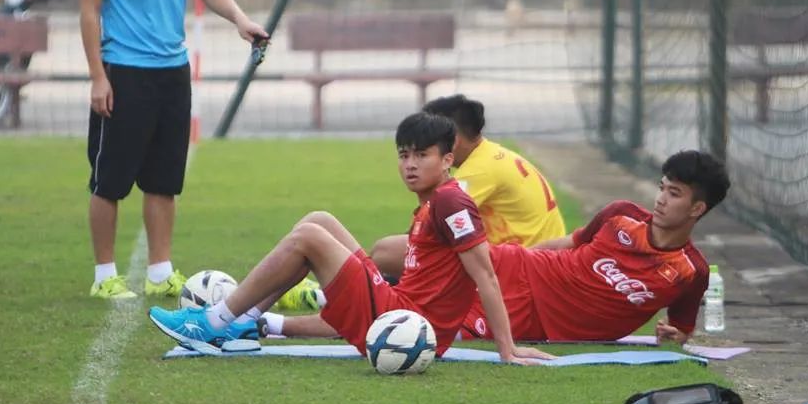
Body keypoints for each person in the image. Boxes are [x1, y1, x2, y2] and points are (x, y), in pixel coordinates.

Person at [147, 112, 555, 365]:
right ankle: (244, 321)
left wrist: (508, 349)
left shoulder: (451, 202)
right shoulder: (435, 200)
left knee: (307, 237)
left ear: (447, 159)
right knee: (318, 219)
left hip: (406, 322)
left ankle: (214, 321)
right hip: (401, 305)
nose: (410, 165)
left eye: (421, 155)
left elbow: (485, 275)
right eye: (403, 155)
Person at [259, 149, 730, 347]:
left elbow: (682, 329)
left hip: (533, 317)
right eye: (662, 187)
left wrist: (675, 336)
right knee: (387, 251)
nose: (660, 199)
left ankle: (269, 321)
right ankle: (322, 290)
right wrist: (505, 254)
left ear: (698, 209)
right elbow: (565, 244)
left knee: (404, 328)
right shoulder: (621, 213)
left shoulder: (692, 273)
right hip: (517, 268)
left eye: (674, 194)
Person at [76, 0, 269, 299]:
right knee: (110, 182)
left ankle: (161, 272)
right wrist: (98, 77)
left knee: (164, 180)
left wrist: (241, 20)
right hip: (123, 73)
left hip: (172, 74)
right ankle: (105, 277)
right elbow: (88, 12)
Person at [277, 94, 567, 309]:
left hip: (518, 270)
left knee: (387, 252)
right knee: (395, 255)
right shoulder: (492, 155)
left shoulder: (479, 170)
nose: (411, 162)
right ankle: (338, 295)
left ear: (450, 140)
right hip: (527, 261)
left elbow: (429, 227)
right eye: (405, 155)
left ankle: (329, 298)